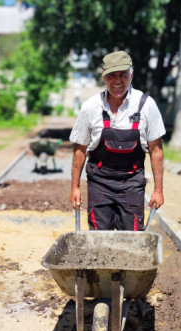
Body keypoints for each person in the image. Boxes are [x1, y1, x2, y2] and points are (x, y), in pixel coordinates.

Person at [69, 51, 165, 230]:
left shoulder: (146, 105)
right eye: (111, 75)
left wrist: (158, 190)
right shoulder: (90, 107)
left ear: (131, 75)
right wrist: (75, 187)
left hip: (132, 183)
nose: (118, 81)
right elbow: (80, 149)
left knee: (132, 238)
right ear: (103, 77)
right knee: (99, 237)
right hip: (99, 182)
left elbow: (156, 150)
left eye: (123, 75)